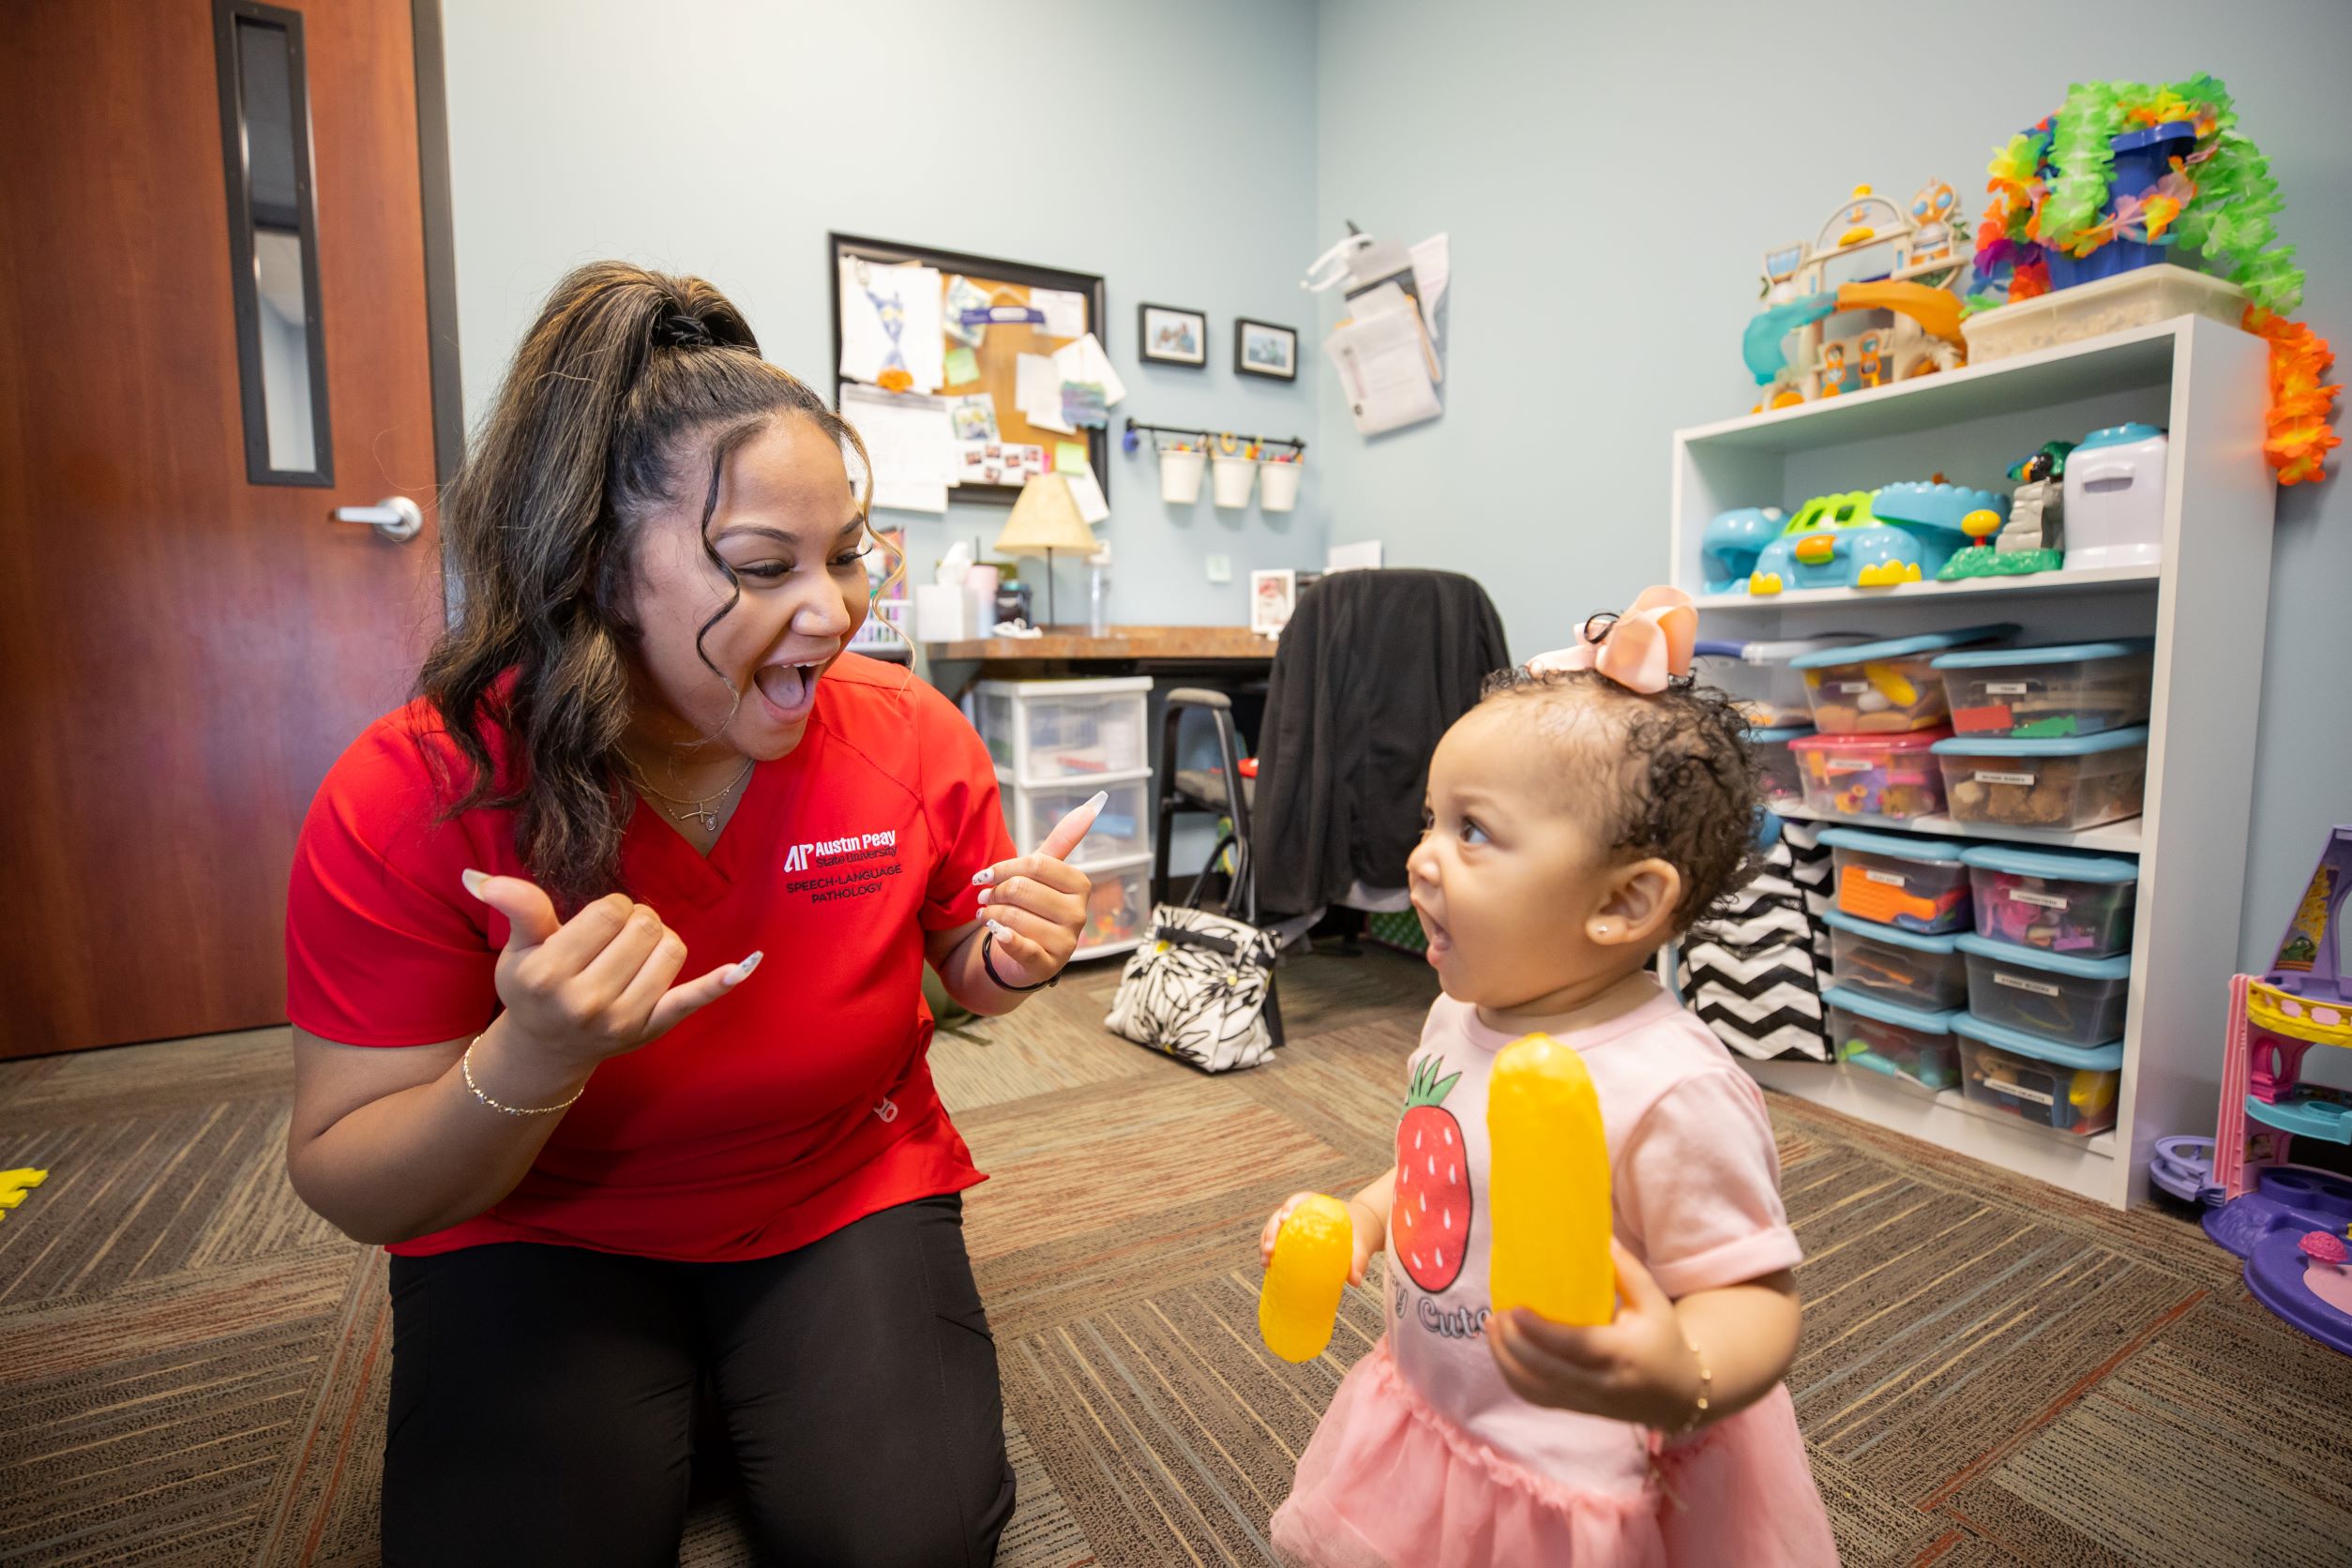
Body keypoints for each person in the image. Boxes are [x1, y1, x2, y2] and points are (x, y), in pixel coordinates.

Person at [282, 263, 1094, 1567]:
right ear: (601, 567)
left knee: (912, 1544)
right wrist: (529, 1059)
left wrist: (1001, 957)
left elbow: (957, 962)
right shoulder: (415, 791)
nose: (831, 615)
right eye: (762, 565)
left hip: (834, 1187)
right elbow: (346, 1176)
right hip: (534, 1219)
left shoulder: (911, 735)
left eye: (846, 557)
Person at [1259, 588, 1835, 1566]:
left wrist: (1680, 1370)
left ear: (1622, 901)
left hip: (1578, 1467)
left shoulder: (1671, 1088)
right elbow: (1446, 1168)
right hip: (1442, 1401)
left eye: (1472, 832)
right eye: (1431, 819)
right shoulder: (1454, 1017)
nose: (1422, 858)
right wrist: (1363, 1217)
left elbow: (1757, 1296)